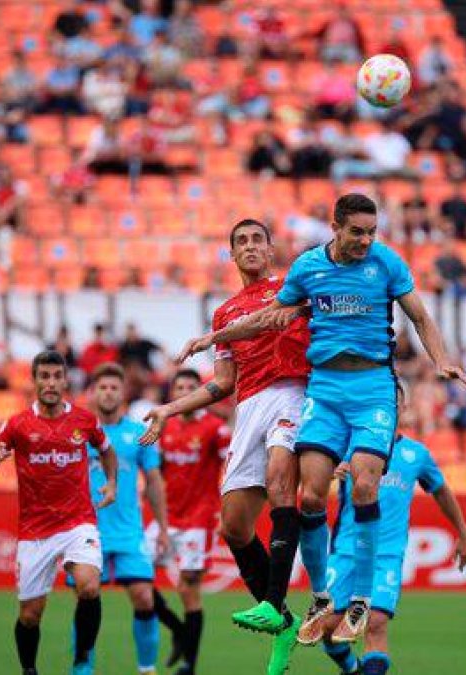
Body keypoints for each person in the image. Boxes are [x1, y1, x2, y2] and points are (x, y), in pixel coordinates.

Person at [176, 194, 466, 648]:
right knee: (312, 495)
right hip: (325, 391)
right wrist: (212, 338)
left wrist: (442, 360)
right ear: (336, 227)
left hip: (373, 387)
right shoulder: (308, 269)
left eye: (371, 231)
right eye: (357, 231)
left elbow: (420, 316)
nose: (365, 240)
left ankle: (359, 598)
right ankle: (319, 597)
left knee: (365, 483)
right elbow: (267, 318)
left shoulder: (387, 264)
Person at [140, 218, 311, 674]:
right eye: (241, 242)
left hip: (293, 391)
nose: (250, 246)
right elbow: (222, 385)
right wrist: (168, 409)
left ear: (271, 249)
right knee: (233, 528)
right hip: (249, 406)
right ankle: (284, 624)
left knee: (279, 481)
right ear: (231, 256)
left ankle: (274, 603)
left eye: (258, 239)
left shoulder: (293, 288)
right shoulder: (224, 313)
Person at [0, 350, 116, 675]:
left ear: (65, 380)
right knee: (30, 615)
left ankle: (82, 656)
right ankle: (29, 670)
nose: (51, 383)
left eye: (56, 376)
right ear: (34, 381)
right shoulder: (17, 425)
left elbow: (107, 451)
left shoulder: (84, 420)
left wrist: (111, 484)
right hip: (35, 531)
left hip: (79, 521)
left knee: (89, 586)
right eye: (44, 376)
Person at [318, 387, 466, 675]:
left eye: (395, 401)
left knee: (375, 622)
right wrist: (330, 471)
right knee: (328, 627)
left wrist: (462, 531)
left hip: (386, 553)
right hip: (347, 550)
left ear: (402, 407)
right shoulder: (348, 446)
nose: (390, 406)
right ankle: (352, 669)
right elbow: (314, 476)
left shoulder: (416, 454)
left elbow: (441, 491)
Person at [82, 363, 169, 675]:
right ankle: (84, 668)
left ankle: (147, 669)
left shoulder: (138, 433)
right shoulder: (81, 433)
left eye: (113, 388)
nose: (108, 392)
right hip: (86, 531)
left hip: (130, 532)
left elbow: (155, 481)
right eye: (102, 387)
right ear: (93, 393)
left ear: (123, 393)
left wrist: (163, 528)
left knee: (145, 598)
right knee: (87, 598)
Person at [146, 369, 231, 674]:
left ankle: (189, 664)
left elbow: (232, 465)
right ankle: (180, 631)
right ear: (172, 394)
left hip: (199, 518)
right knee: (138, 575)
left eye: (191, 387)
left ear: (202, 392)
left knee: (187, 587)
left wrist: (226, 510)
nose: (184, 392)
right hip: (168, 516)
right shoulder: (164, 427)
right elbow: (155, 472)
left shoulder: (215, 429)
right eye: (179, 387)